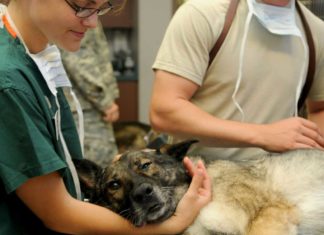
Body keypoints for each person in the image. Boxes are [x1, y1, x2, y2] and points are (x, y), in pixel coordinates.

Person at [0, 1, 211, 235]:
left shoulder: (38, 54)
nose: (92, 23)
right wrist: (174, 224)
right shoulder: (9, 81)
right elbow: (58, 213)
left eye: (100, 10)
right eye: (82, 6)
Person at [150, 0, 324, 161]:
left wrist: (309, 160)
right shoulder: (202, 15)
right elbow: (164, 112)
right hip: (200, 180)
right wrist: (263, 135)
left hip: (278, 183)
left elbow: (319, 109)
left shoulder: (317, 32)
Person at [61, 21, 119, 166]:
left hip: (82, 105)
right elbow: (79, 61)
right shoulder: (81, 13)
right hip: (85, 108)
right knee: (98, 170)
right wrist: (105, 102)